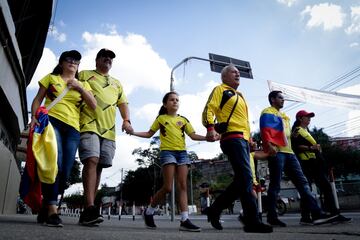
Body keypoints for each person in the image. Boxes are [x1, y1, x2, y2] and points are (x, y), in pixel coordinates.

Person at [202, 64, 273, 233]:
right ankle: (252, 221)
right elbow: (208, 109)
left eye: (238, 72)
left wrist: (250, 139)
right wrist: (210, 128)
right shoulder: (221, 89)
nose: (237, 74)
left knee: (243, 180)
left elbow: (243, 121)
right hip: (231, 138)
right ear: (224, 77)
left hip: (242, 140)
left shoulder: (239, 95)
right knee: (246, 178)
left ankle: (215, 209)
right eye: (234, 72)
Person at [30, 50, 97, 227]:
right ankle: (52, 209)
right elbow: (38, 99)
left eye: (76, 60)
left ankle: (46, 205)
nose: (72, 62)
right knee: (55, 164)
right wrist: (33, 118)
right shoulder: (51, 78)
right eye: (68, 59)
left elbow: (93, 105)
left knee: (66, 170)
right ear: (61, 63)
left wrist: (80, 87)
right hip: (52, 122)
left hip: (73, 128)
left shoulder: (83, 84)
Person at [129, 91, 207, 232]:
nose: (175, 102)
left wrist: (208, 138)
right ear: (165, 104)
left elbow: (193, 135)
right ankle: (149, 211)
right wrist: (133, 132)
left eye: (177, 99)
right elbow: (149, 134)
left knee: (183, 185)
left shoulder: (183, 120)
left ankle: (184, 220)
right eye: (172, 100)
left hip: (182, 154)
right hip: (167, 153)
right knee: (168, 187)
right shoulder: (161, 118)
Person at [259, 90, 339, 227]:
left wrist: (293, 136)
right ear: (272, 99)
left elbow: (285, 134)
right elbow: (266, 129)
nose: (283, 100)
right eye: (280, 98)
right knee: (275, 185)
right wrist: (269, 144)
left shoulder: (284, 116)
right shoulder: (268, 111)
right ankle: (272, 217)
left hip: (289, 153)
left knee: (303, 183)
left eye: (283, 98)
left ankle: (316, 214)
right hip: (277, 152)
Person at [78, 48, 133, 226]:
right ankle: (90, 207)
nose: (108, 60)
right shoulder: (85, 74)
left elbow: (123, 103)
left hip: (109, 129)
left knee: (100, 166)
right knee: (91, 160)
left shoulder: (117, 83)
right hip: (88, 123)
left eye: (110, 59)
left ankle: (89, 208)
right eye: (104, 57)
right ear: (97, 60)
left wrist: (126, 120)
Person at [291, 110, 352, 225]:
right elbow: (295, 146)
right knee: (321, 187)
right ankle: (332, 213)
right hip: (307, 163)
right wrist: (311, 148)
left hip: (314, 163)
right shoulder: (297, 130)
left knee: (309, 190)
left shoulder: (306, 130)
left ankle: (307, 217)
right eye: (307, 116)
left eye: (310, 117)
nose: (309, 118)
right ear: (300, 118)